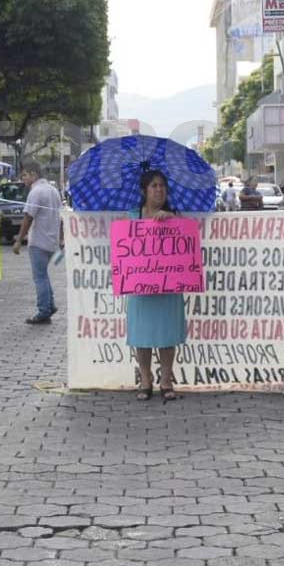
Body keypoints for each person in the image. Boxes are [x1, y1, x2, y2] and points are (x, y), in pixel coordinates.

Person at [126, 169, 186, 402]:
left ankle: (166, 380)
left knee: (167, 334)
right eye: (153, 185)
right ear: (144, 190)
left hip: (168, 287)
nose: (159, 189)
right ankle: (145, 379)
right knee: (142, 335)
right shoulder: (132, 216)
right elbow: (123, 245)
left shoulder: (174, 216)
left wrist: (171, 220)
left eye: (162, 185)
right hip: (140, 287)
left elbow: (187, 241)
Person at [13, 160, 63, 324]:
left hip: (39, 241)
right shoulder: (53, 190)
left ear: (34, 175)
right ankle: (50, 304)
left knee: (39, 277)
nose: (23, 179)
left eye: (25, 175)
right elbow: (60, 217)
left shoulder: (36, 192)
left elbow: (28, 217)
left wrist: (19, 240)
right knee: (43, 274)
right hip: (51, 241)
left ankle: (44, 310)